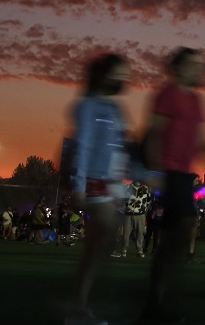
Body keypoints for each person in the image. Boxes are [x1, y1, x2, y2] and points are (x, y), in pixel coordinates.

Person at [140, 47, 205, 324]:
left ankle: (156, 303)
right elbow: (154, 132)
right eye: (193, 65)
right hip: (169, 172)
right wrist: (154, 170)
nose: (199, 70)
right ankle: (160, 302)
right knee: (183, 229)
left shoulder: (197, 101)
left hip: (184, 174)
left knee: (173, 240)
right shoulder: (168, 94)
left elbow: (201, 138)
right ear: (179, 68)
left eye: (200, 65)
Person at [65, 53, 131, 325]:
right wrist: (79, 185)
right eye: (118, 72)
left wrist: (133, 177)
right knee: (97, 246)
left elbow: (121, 147)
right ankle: (77, 308)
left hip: (112, 184)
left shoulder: (115, 108)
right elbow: (83, 146)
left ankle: (80, 304)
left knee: (99, 247)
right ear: (104, 75)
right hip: (94, 182)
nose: (124, 77)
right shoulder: (88, 106)